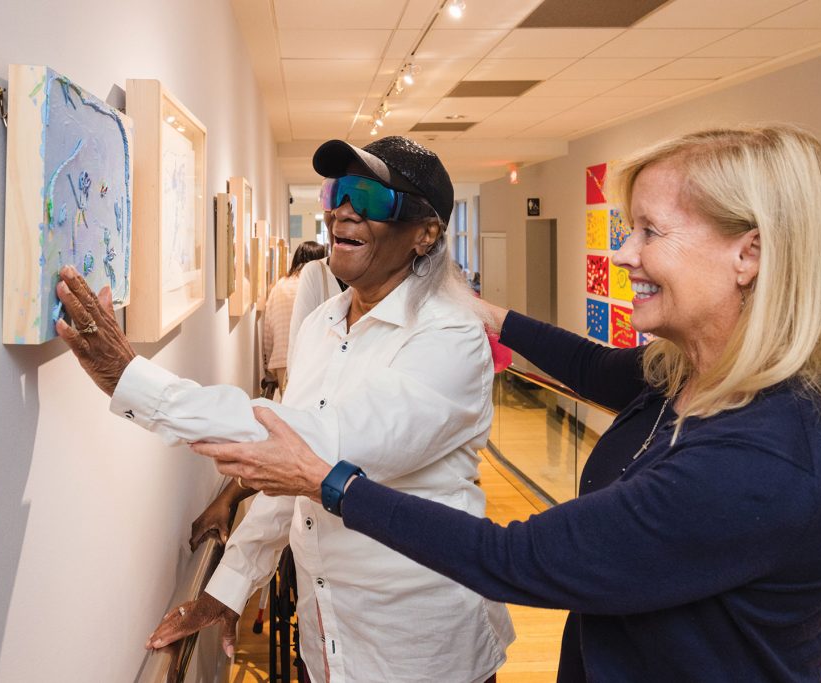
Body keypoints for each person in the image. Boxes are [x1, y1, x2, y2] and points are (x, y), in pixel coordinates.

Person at [190, 125, 821, 682]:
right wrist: (486, 310)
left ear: (747, 255)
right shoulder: (688, 378)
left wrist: (328, 478)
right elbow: (593, 365)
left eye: (650, 232)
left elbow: (518, 557)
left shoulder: (762, 459)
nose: (625, 253)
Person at [54, 135, 514, 683]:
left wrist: (135, 383)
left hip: (420, 647)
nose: (343, 210)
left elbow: (322, 444)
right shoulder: (322, 324)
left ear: (425, 234)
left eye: (369, 198)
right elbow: (291, 479)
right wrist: (229, 589)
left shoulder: (451, 336)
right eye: (337, 192)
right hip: (328, 641)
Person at [262, 239, 327, 392]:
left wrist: (268, 367)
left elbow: (268, 329)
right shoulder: (318, 285)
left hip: (282, 359)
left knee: (288, 407)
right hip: (313, 359)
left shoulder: (280, 286)